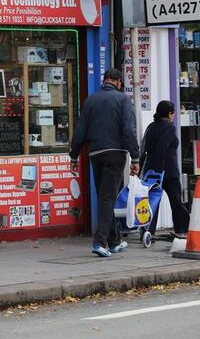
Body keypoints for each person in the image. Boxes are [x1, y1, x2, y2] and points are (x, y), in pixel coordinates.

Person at [69, 68, 140, 258]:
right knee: (108, 197)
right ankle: (100, 242)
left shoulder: (90, 100)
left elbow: (80, 129)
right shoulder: (123, 100)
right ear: (117, 82)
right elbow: (128, 129)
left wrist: (74, 155)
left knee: (105, 195)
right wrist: (135, 157)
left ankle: (115, 240)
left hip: (96, 153)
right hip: (115, 153)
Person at [140, 100, 190, 237]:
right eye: (173, 113)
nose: (173, 116)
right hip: (168, 170)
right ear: (169, 114)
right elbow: (162, 148)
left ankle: (147, 231)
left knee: (151, 203)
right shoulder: (170, 127)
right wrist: (160, 167)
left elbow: (144, 148)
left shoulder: (151, 127)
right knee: (176, 201)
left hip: (151, 171)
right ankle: (182, 230)